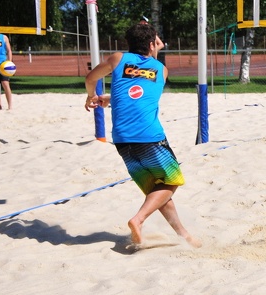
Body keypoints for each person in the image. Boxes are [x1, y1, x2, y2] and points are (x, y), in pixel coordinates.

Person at [85, 23, 201, 248]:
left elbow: (92, 79)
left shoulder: (117, 59)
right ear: (151, 44)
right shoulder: (161, 70)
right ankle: (138, 219)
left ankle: (183, 235)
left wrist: (93, 97)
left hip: (121, 139)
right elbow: (142, 84)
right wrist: (154, 40)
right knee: (171, 182)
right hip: (149, 137)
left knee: (155, 190)